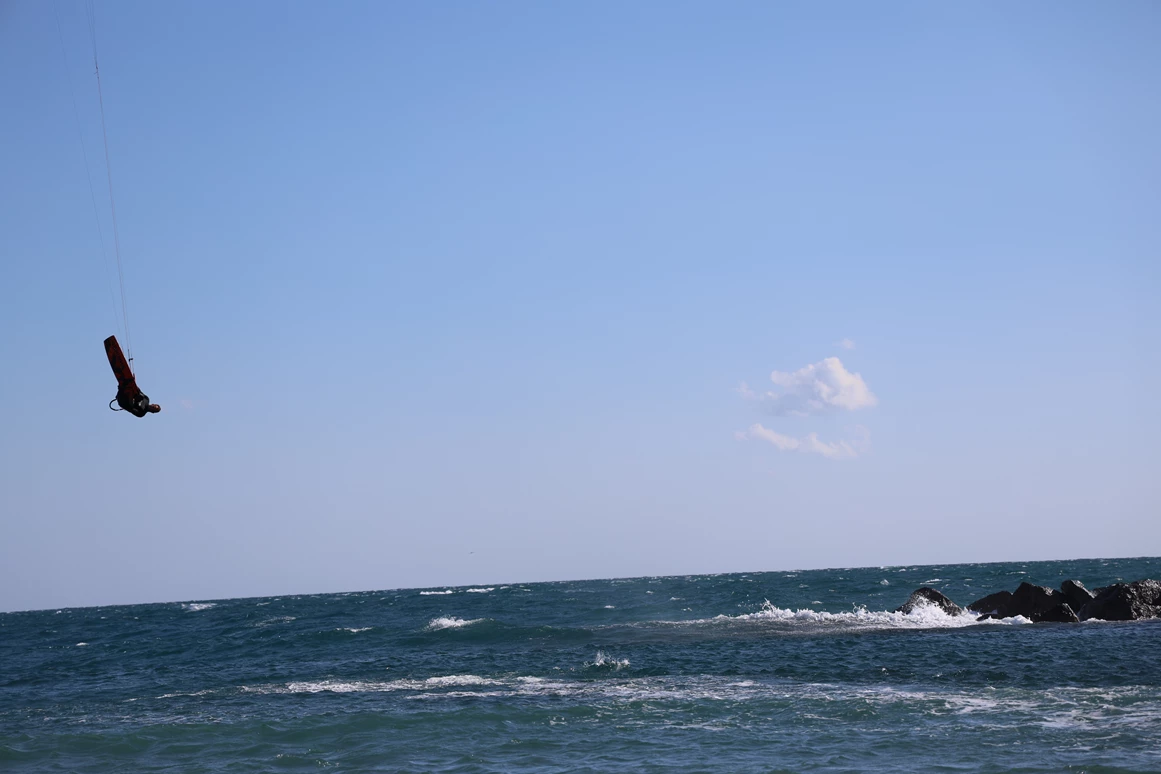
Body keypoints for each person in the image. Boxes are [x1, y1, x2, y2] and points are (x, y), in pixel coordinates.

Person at [104, 335, 161, 417]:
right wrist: (133, 381)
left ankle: (124, 388)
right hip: (128, 392)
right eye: (155, 406)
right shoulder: (147, 399)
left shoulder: (141, 413)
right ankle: (125, 386)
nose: (153, 407)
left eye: (154, 409)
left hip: (123, 400)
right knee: (135, 392)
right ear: (154, 403)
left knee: (130, 402)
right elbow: (138, 390)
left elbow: (130, 408)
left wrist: (132, 398)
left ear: (152, 412)